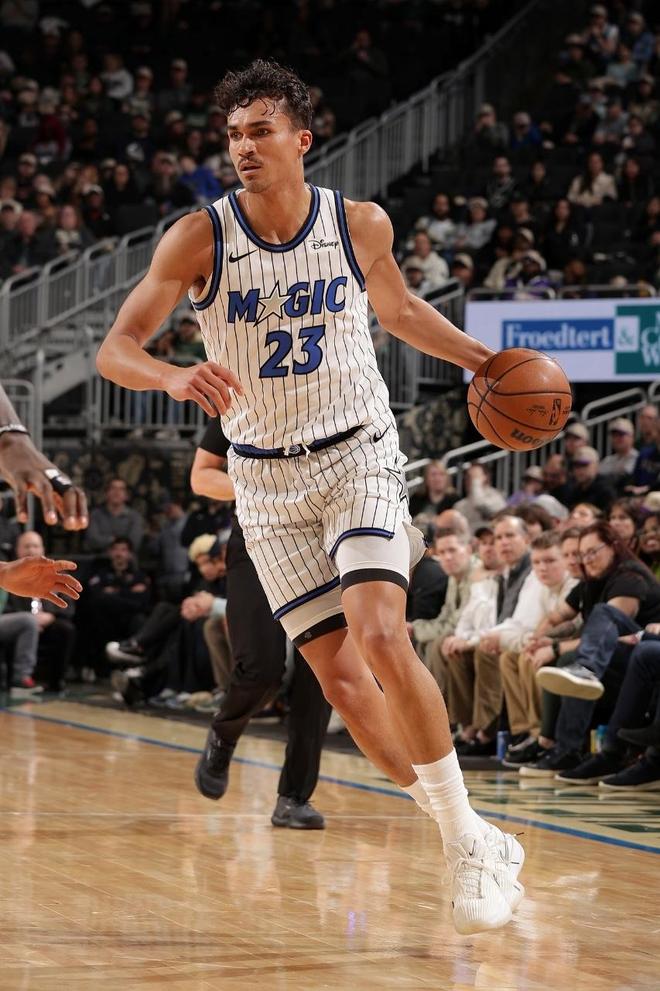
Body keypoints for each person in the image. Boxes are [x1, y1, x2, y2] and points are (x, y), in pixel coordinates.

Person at [96, 59, 524, 934]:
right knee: (341, 684)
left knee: (380, 632)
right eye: (233, 134)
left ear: (301, 138)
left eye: (260, 131)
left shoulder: (358, 222)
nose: (243, 147)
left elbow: (400, 313)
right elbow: (116, 348)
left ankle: (464, 849)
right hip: (263, 479)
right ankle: (470, 829)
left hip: (356, 452)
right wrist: (171, 375)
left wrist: (486, 362)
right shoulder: (198, 237)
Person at [189, 418, 331, 828]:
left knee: (322, 676)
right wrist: (264, 488)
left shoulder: (344, 396)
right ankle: (224, 734)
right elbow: (201, 476)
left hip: (324, 539)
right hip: (257, 537)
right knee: (261, 668)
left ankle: (295, 797)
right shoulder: (242, 400)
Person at [5, 530, 78, 692]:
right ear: (17, 550)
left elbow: (69, 605)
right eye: (26, 546)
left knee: (66, 629)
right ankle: (19, 680)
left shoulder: (56, 573)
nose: (31, 550)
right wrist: (29, 620)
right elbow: (6, 607)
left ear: (43, 549)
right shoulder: (9, 573)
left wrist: (50, 616)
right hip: (19, 621)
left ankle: (56, 682)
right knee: (25, 624)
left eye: (35, 546)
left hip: (49, 620)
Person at [84, 477, 145, 554]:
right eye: (113, 488)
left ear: (127, 495)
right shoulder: (95, 515)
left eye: (121, 489)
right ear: (106, 493)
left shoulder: (135, 517)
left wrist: (108, 541)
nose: (117, 492)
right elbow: (92, 541)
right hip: (99, 558)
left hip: (126, 560)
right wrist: (116, 541)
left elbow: (134, 544)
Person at [599, 418, 638, 483]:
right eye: (614, 435)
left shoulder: (638, 458)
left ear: (631, 437)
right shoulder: (607, 460)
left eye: (621, 435)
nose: (617, 438)